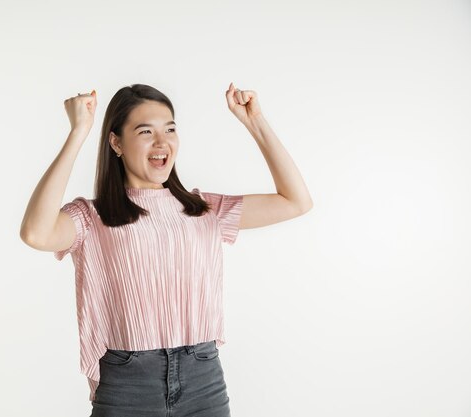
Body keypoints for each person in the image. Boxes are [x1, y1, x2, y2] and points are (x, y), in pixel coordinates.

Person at [20, 83, 313, 416]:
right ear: (116, 142)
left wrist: (255, 121)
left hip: (203, 378)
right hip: (127, 384)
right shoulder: (92, 216)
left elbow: (296, 201)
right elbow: (36, 232)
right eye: (146, 131)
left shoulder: (204, 210)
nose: (162, 142)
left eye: (170, 129)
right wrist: (78, 133)